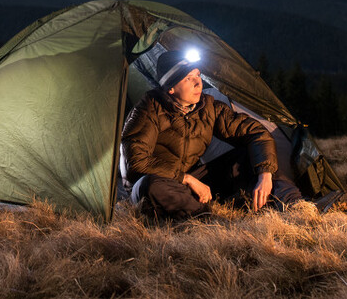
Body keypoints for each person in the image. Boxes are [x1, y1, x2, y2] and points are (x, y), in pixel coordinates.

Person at [121, 49, 303, 220]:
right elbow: (137, 163)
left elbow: (256, 132)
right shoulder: (147, 111)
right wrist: (186, 179)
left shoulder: (207, 107)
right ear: (170, 88)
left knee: (256, 155)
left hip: (191, 180)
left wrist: (265, 175)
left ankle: (295, 205)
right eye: (188, 78)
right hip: (157, 184)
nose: (198, 82)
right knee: (151, 186)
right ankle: (206, 220)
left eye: (198, 75)